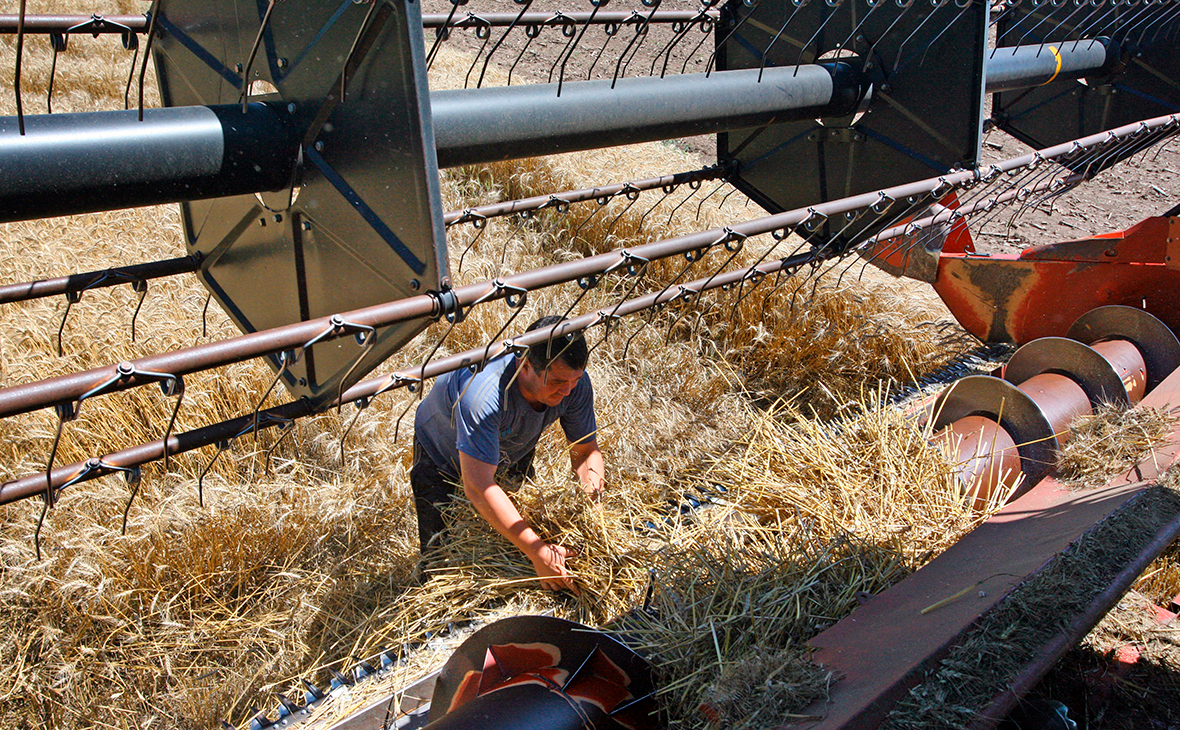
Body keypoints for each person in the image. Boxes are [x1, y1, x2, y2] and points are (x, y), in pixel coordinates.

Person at [411, 315, 604, 593]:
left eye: (575, 380)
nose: (568, 390)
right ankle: (434, 599)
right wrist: (538, 551)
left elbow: (585, 451)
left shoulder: (574, 384)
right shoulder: (483, 394)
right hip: (441, 450)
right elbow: (478, 486)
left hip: (512, 441)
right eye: (559, 381)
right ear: (524, 365)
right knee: (439, 552)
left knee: (515, 527)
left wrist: (594, 514)